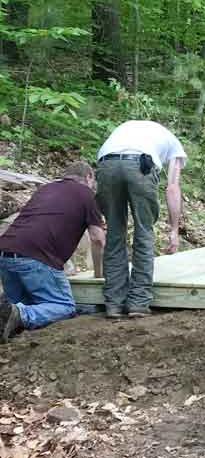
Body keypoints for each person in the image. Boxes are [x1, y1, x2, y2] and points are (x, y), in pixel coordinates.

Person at [0, 162, 106, 343]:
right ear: (89, 177)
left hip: (6, 252)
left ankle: (13, 315)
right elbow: (97, 238)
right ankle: (19, 314)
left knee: (17, 310)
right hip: (36, 257)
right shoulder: (87, 194)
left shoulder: (46, 189)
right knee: (63, 306)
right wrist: (98, 274)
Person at [96, 120, 187, 319]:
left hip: (106, 164)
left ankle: (113, 304)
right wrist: (174, 230)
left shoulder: (129, 128)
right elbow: (172, 189)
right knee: (143, 233)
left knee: (114, 233)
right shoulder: (175, 146)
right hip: (139, 165)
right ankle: (138, 302)